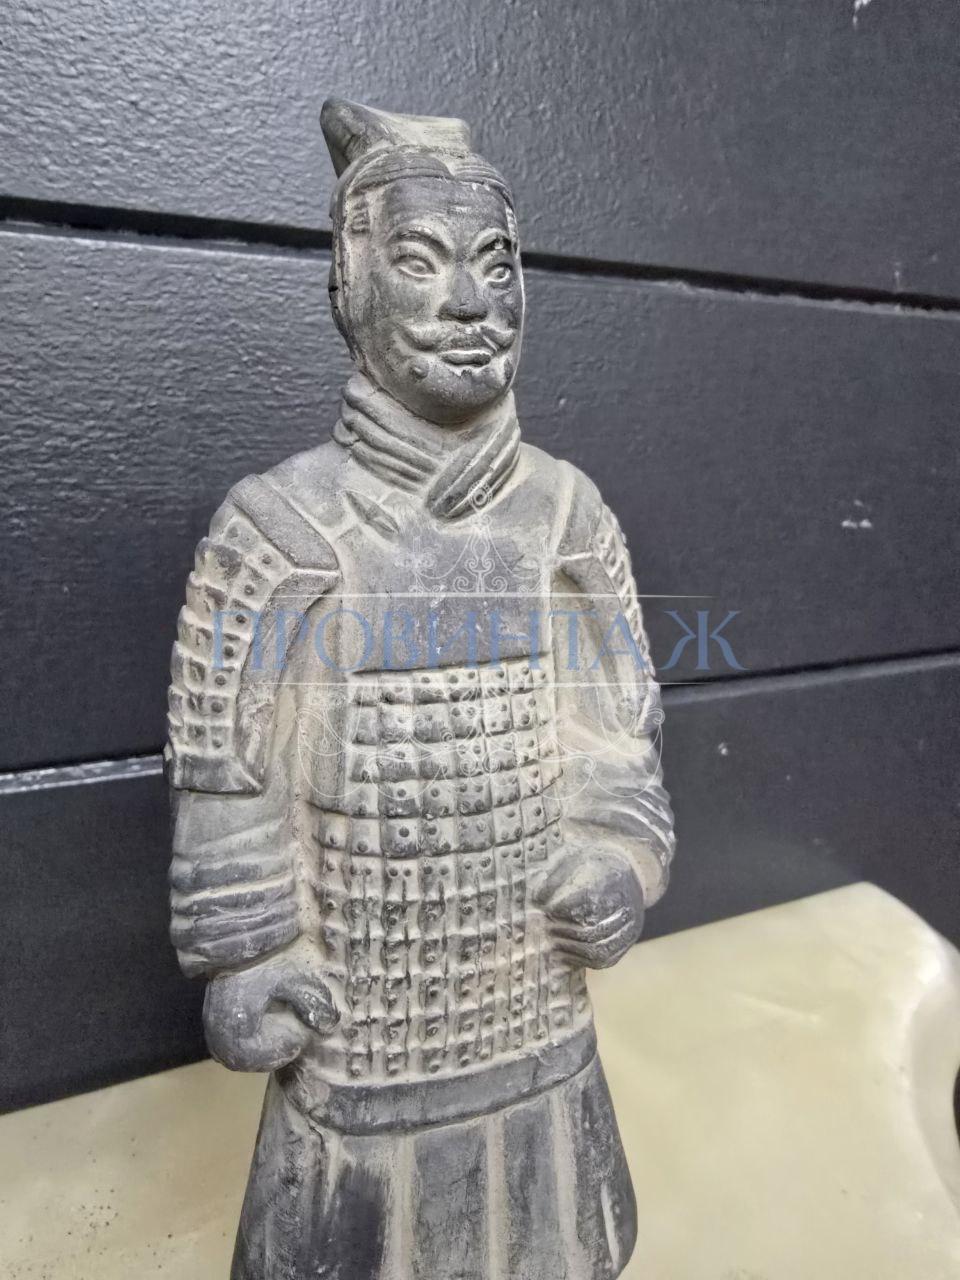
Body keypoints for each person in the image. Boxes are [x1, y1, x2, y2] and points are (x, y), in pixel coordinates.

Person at [167, 97, 675, 1280]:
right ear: (352, 285)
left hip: (536, 1020)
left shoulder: (566, 515)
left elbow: (618, 737)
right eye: (421, 261)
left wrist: (617, 859)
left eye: (495, 265)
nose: (469, 301)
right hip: (361, 1043)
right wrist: (250, 957)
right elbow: (227, 766)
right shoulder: (277, 528)